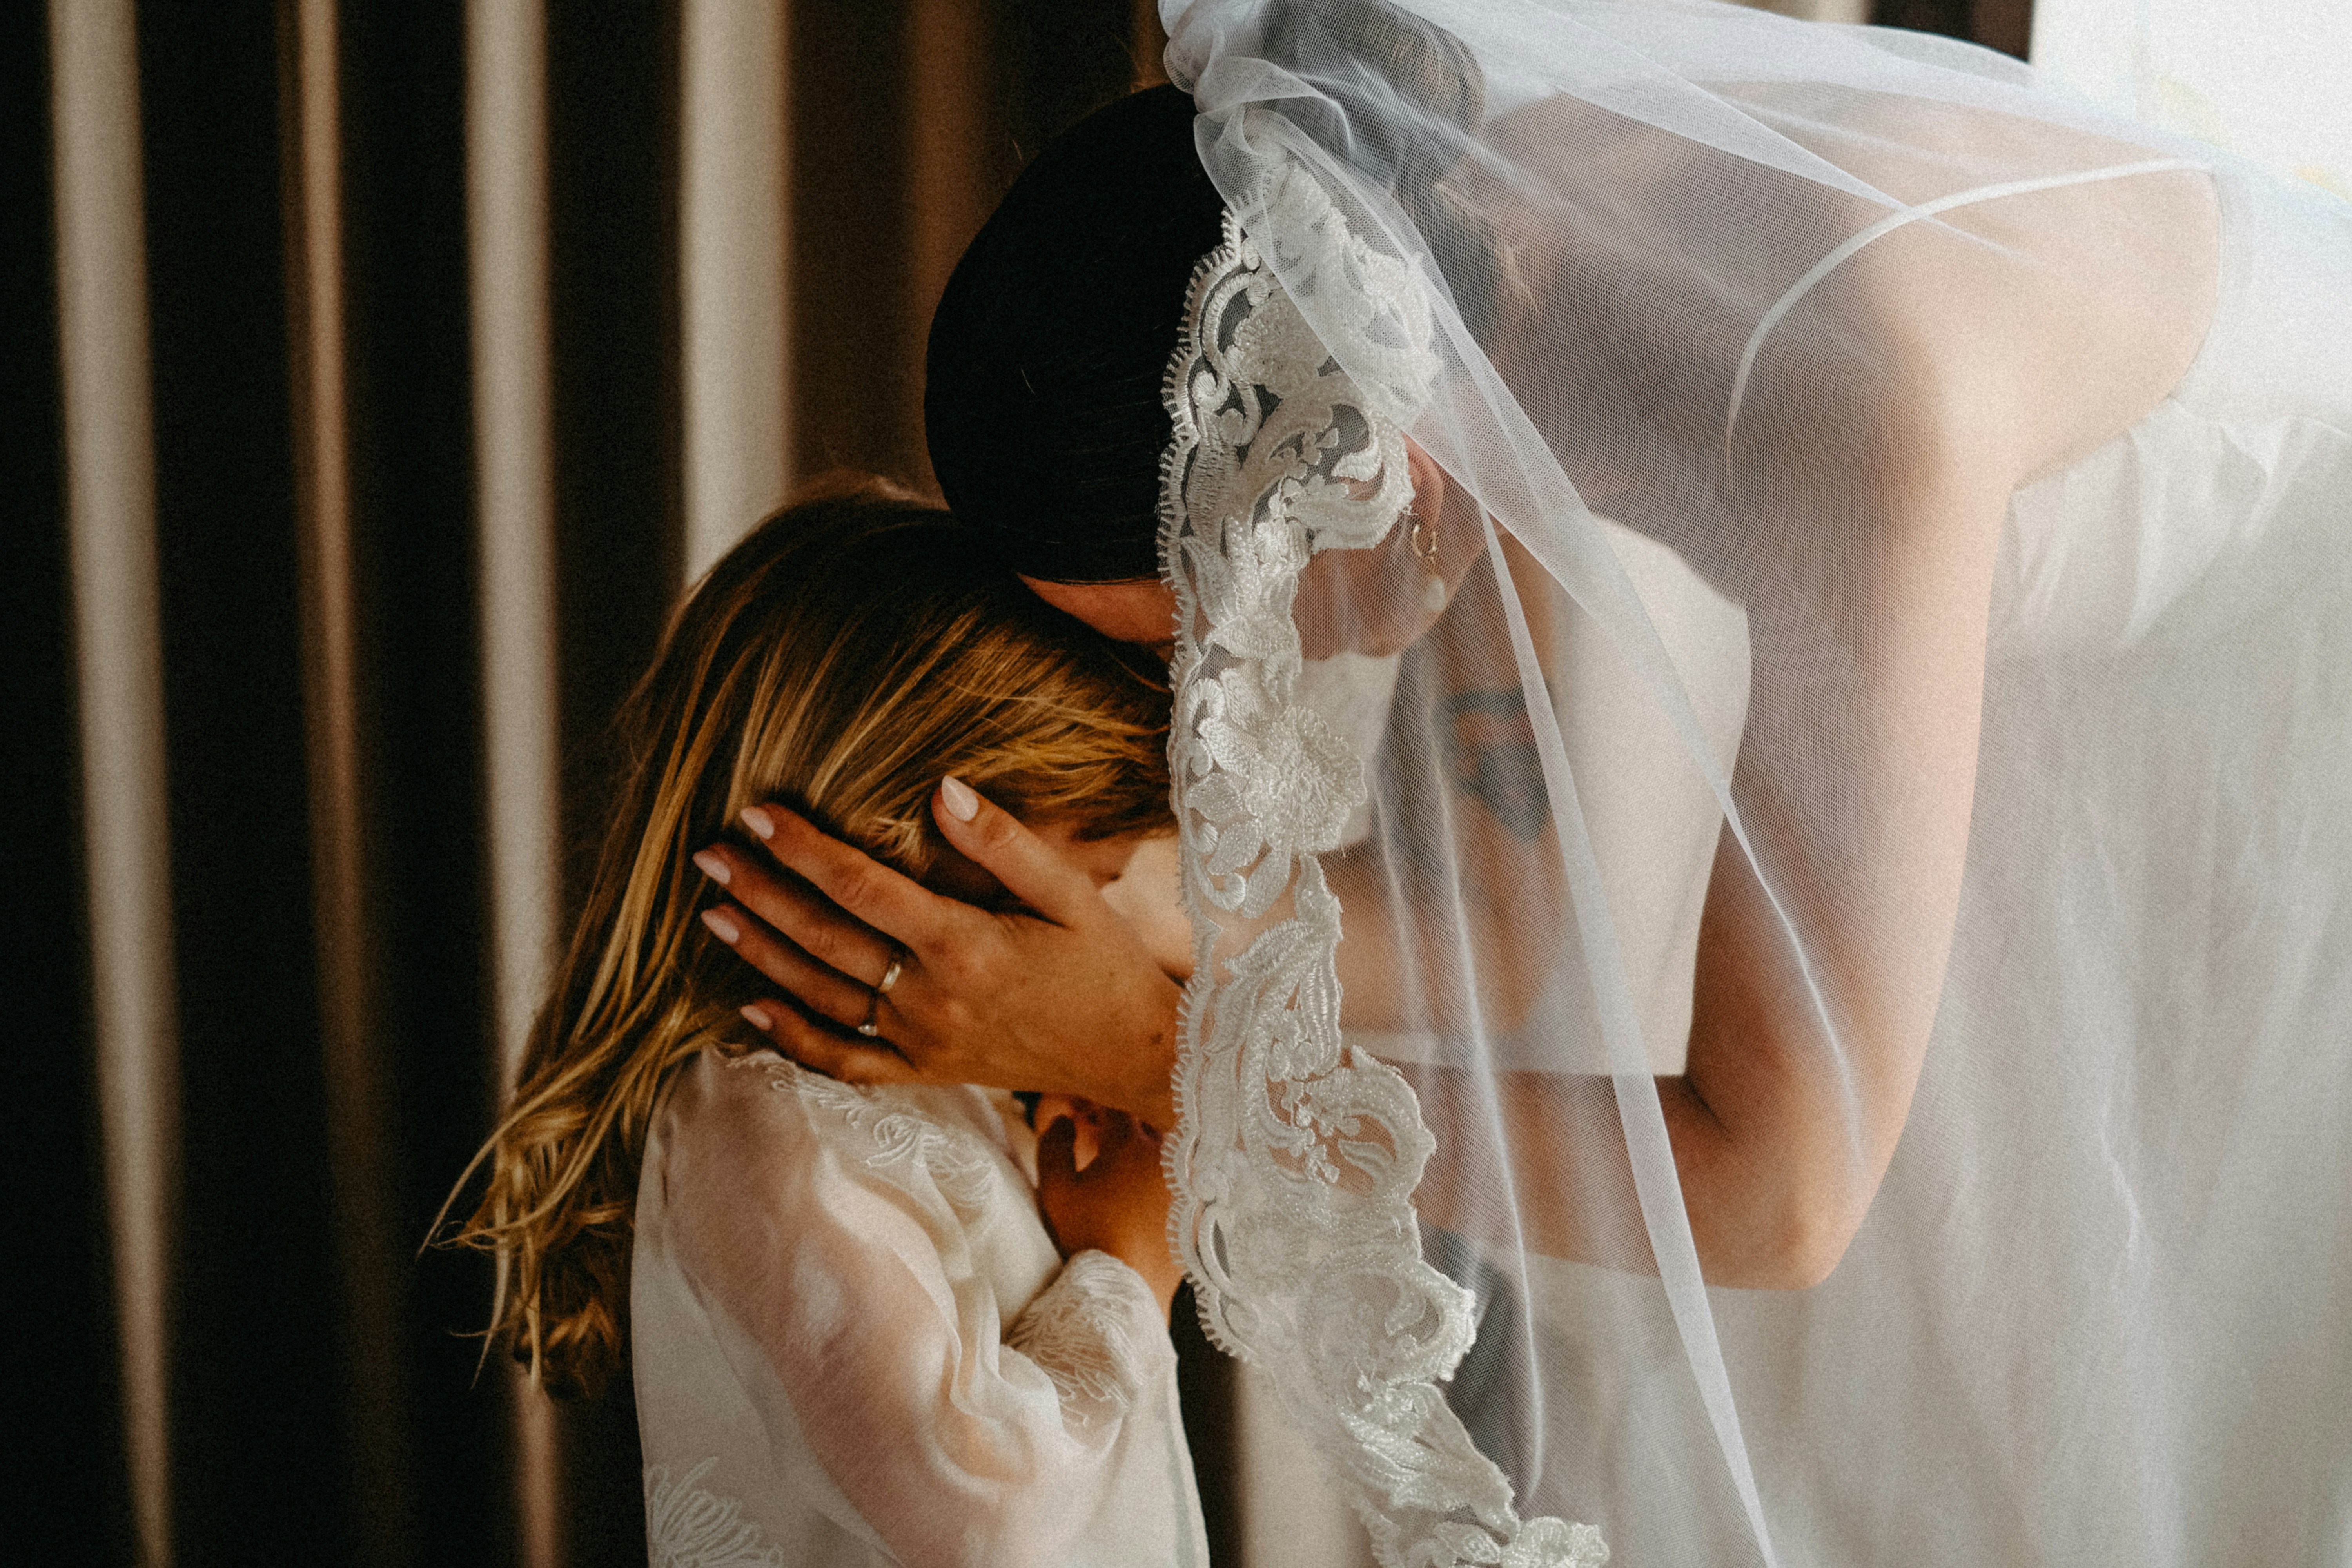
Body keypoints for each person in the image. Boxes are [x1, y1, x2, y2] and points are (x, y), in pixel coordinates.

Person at [694, 2, 2352, 1564]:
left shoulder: (1852, 380)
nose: (1213, 688)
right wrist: (1150, 897)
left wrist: (1158, 1056)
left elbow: (1779, 1198)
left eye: (1206, 623)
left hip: (2290, 720)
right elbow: (1504, 916)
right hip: (2043, 683)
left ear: (1331, 477)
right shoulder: (1432, 291)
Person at [449, 478, 1210, 1567]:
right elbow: (977, 1511)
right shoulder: (764, 1130)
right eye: (1075, 884)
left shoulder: (937, 1073)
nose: (1099, 936)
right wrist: (1129, 1266)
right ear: (891, 849)